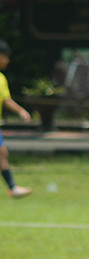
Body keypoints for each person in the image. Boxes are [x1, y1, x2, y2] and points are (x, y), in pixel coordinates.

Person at [0, 39, 32, 199]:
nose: (7, 61)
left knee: (2, 153)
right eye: (5, 57)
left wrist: (20, 111)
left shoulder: (1, 79)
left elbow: (6, 100)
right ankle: (12, 187)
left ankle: (13, 187)